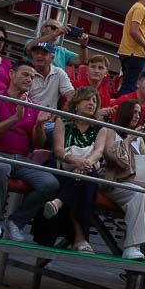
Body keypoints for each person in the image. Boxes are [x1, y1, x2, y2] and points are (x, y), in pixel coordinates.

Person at [0, 61, 60, 241]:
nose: (29, 79)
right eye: (25, 74)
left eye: (32, 77)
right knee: (1, 168)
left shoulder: (33, 106)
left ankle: (16, 222)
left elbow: (38, 143)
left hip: (21, 158)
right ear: (11, 74)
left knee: (50, 183)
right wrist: (15, 118)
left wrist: (39, 126)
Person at [45, 87, 107, 252]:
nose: (91, 104)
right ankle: (81, 239)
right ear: (77, 102)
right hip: (64, 167)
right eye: (87, 99)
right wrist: (76, 161)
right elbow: (58, 150)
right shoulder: (63, 120)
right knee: (85, 181)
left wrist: (84, 164)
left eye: (94, 101)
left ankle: (59, 202)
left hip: (86, 169)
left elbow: (99, 152)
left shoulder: (101, 127)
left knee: (87, 178)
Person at [100, 100, 145, 261]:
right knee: (139, 196)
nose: (137, 116)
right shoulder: (110, 130)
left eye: (139, 113)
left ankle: (129, 237)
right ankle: (132, 246)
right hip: (112, 179)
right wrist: (127, 140)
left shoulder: (138, 138)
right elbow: (111, 157)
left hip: (132, 181)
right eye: (134, 112)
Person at [28, 44, 74, 112]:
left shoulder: (59, 73)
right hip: (27, 114)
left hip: (49, 118)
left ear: (52, 57)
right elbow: (21, 96)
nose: (39, 56)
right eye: (36, 53)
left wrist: (70, 106)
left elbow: (70, 94)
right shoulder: (27, 72)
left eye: (44, 53)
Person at [72, 53, 116, 119]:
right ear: (87, 70)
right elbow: (67, 109)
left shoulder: (106, 94)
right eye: (93, 67)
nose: (96, 71)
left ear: (106, 73)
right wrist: (96, 113)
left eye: (100, 68)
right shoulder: (74, 85)